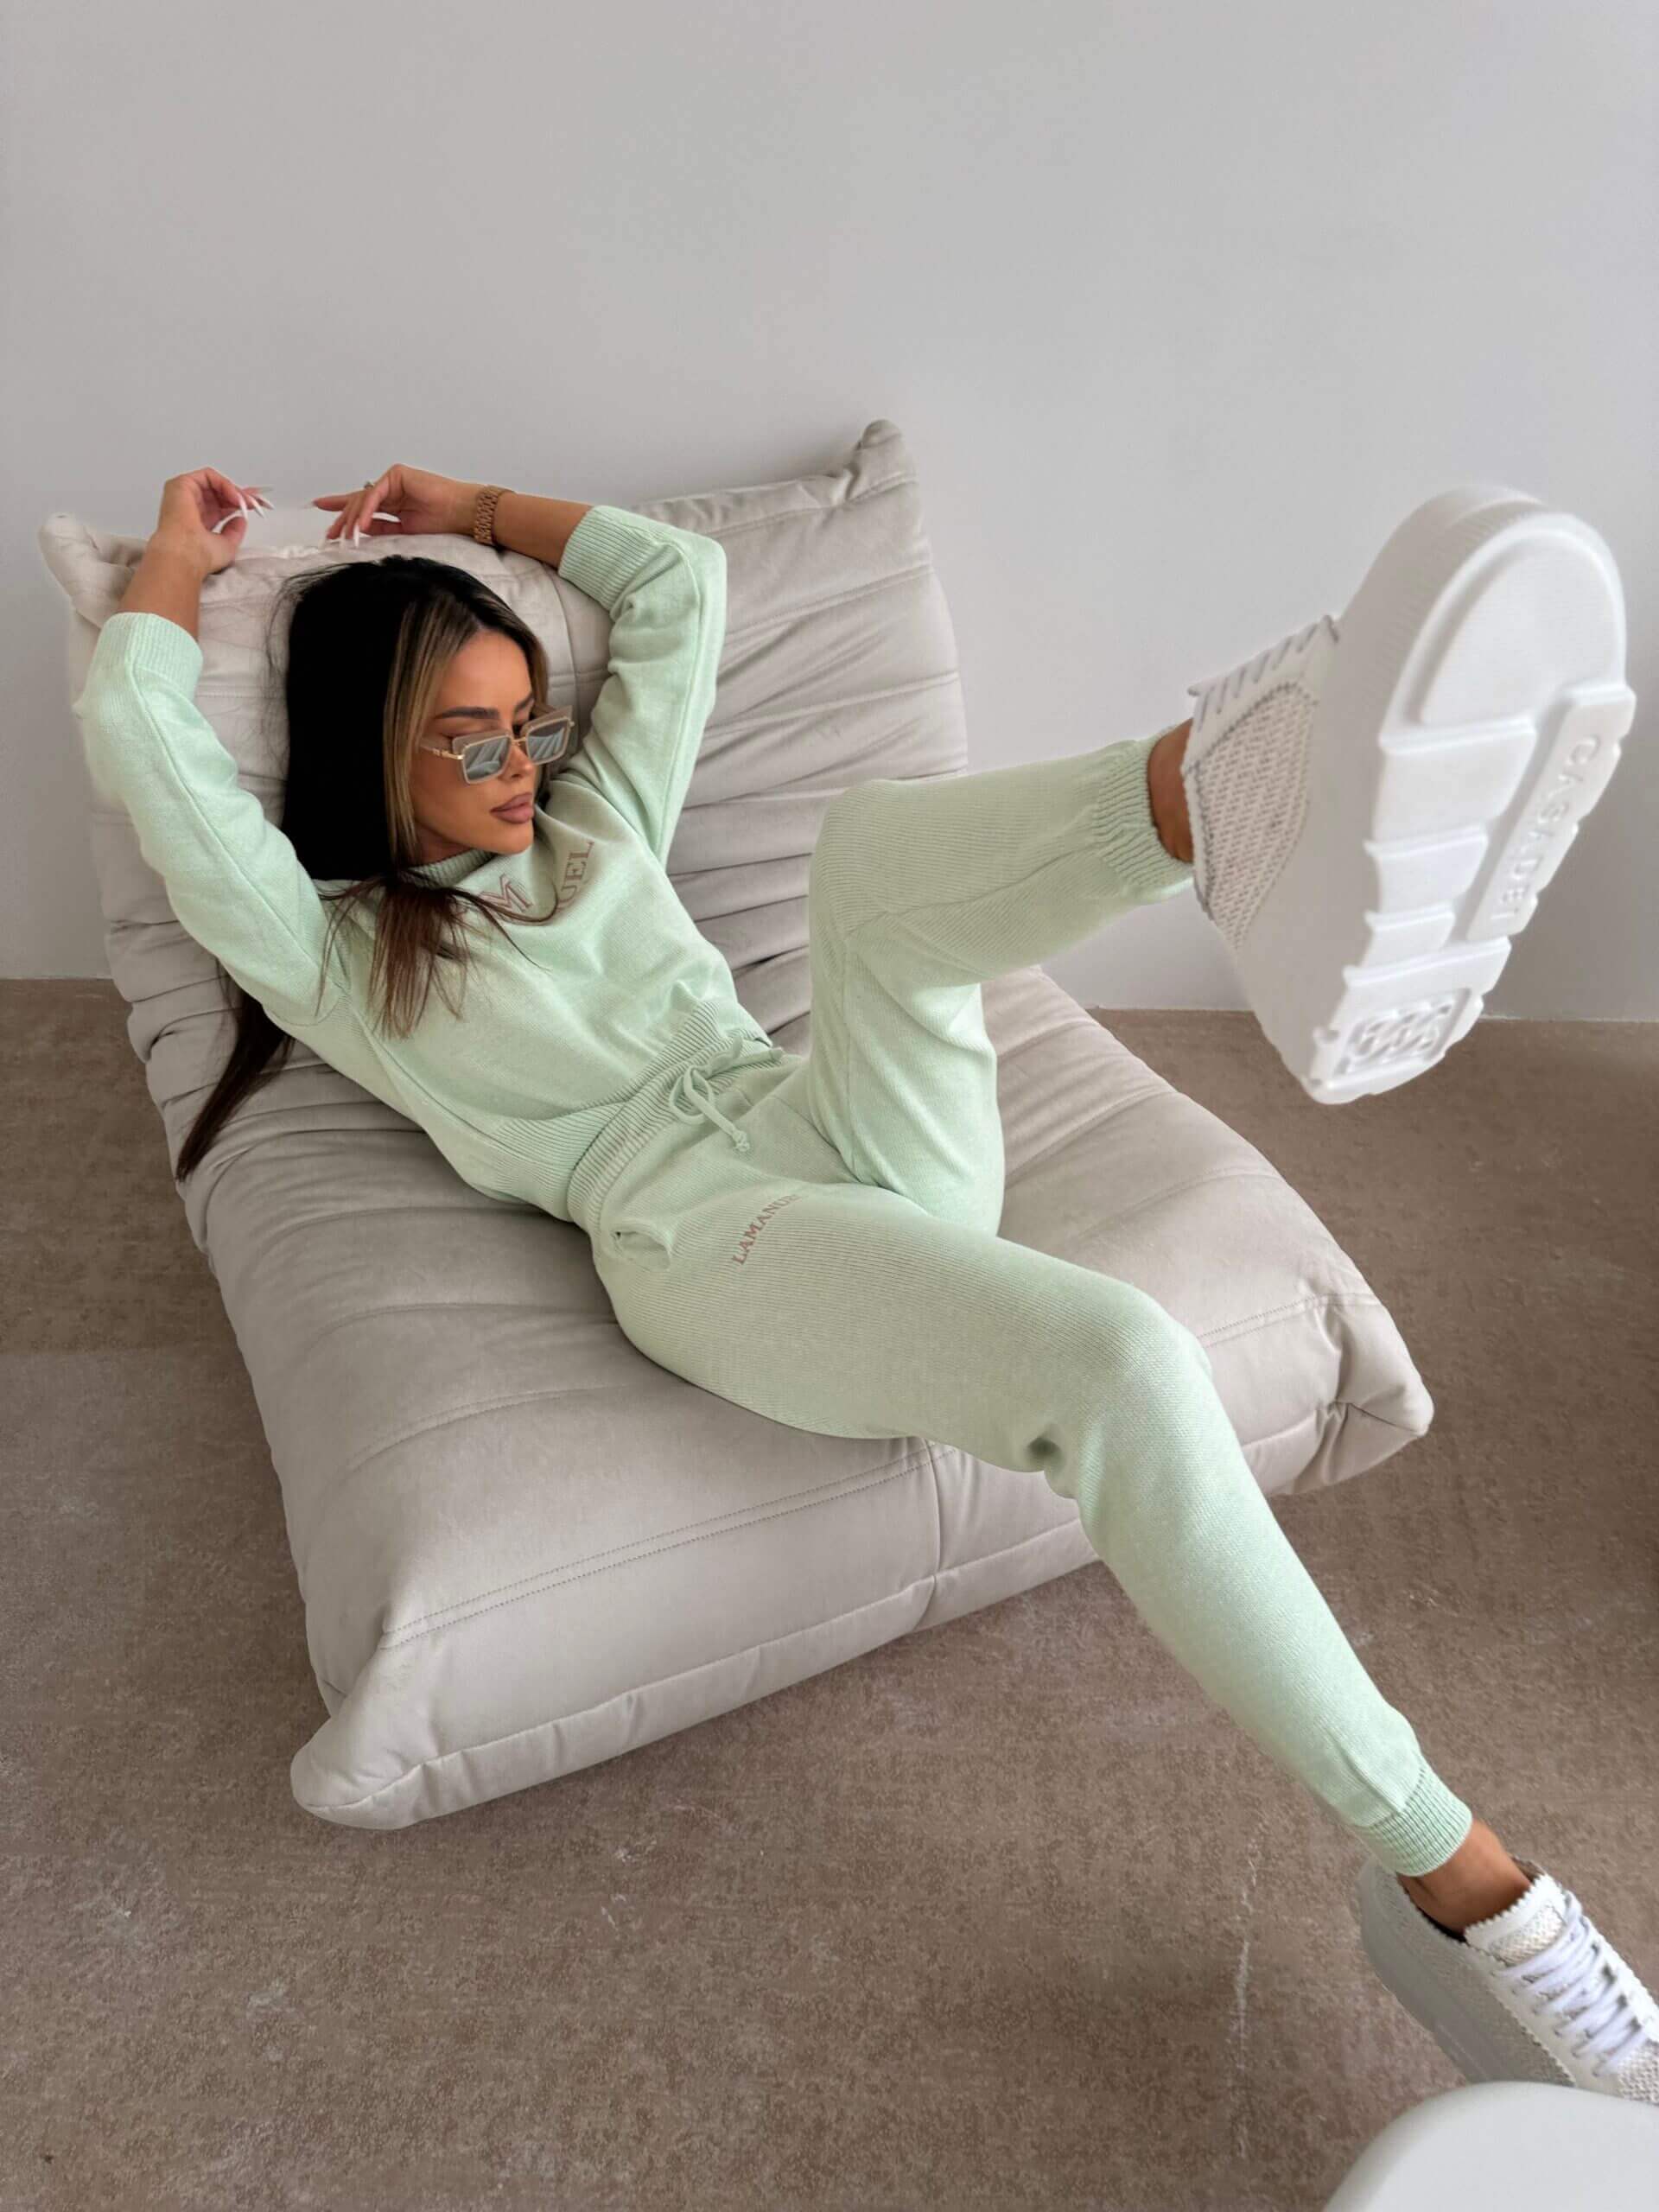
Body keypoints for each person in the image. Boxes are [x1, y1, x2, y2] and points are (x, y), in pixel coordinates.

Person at [69, 463, 1656, 2101]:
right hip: (702, 1234)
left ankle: (1242, 798)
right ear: (367, 754)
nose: (522, 765)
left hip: (823, 1115)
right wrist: (179, 558)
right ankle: (1469, 1884)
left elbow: (676, 587)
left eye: (528, 720)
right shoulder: (334, 952)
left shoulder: (595, 826)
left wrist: (470, 504)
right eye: (470, 739)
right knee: (1121, 1362)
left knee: (874, 858)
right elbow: (142, 733)